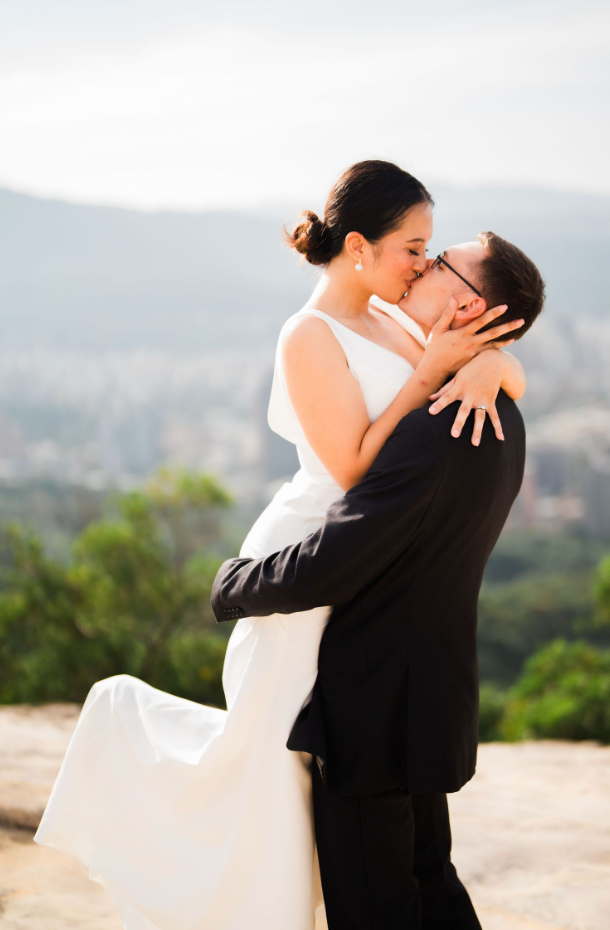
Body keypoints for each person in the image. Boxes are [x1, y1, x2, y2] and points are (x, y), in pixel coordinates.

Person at [33, 161, 531, 930]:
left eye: (432, 252)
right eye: (414, 247)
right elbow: (355, 469)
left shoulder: (393, 319)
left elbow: (480, 374)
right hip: (317, 549)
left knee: (325, 786)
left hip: (367, 558)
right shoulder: (309, 334)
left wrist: (495, 362)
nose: (422, 264)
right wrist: (430, 371)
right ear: (360, 246)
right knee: (273, 768)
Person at [211, 231, 545, 929]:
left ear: (465, 302)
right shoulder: (502, 419)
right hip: (428, 699)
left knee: (378, 910)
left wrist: (235, 585)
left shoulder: (431, 429)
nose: (423, 264)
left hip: (375, 706)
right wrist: (489, 361)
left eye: (439, 258)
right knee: (432, 885)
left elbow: (338, 558)